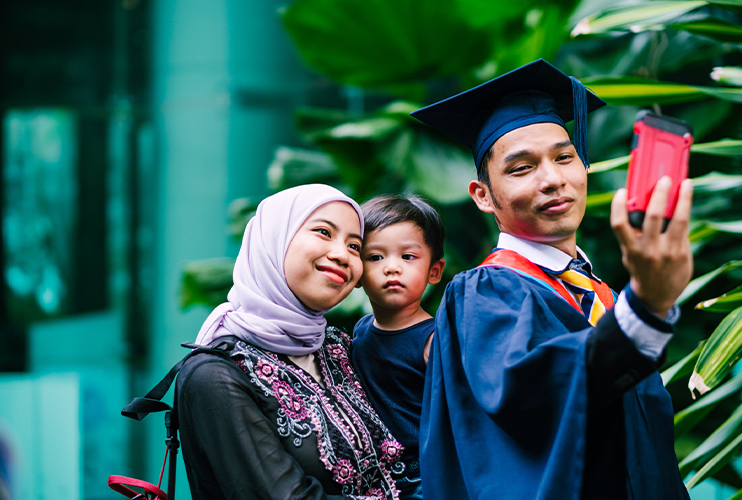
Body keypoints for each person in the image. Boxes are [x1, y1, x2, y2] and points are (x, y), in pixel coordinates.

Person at [410, 59, 693, 499]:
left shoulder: (605, 297)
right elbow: (539, 393)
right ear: (483, 196)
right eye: (522, 168)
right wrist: (645, 311)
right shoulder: (484, 295)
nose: (553, 179)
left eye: (565, 158)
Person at [176, 184, 405, 500]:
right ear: (274, 240)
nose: (342, 254)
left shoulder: (338, 348)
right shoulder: (216, 375)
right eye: (324, 232)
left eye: (354, 246)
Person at [351, 195, 446, 499]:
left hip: (424, 479)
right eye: (375, 257)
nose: (392, 268)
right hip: (373, 479)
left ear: (434, 270)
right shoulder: (360, 331)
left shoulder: (435, 340)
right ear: (356, 272)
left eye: (408, 257)